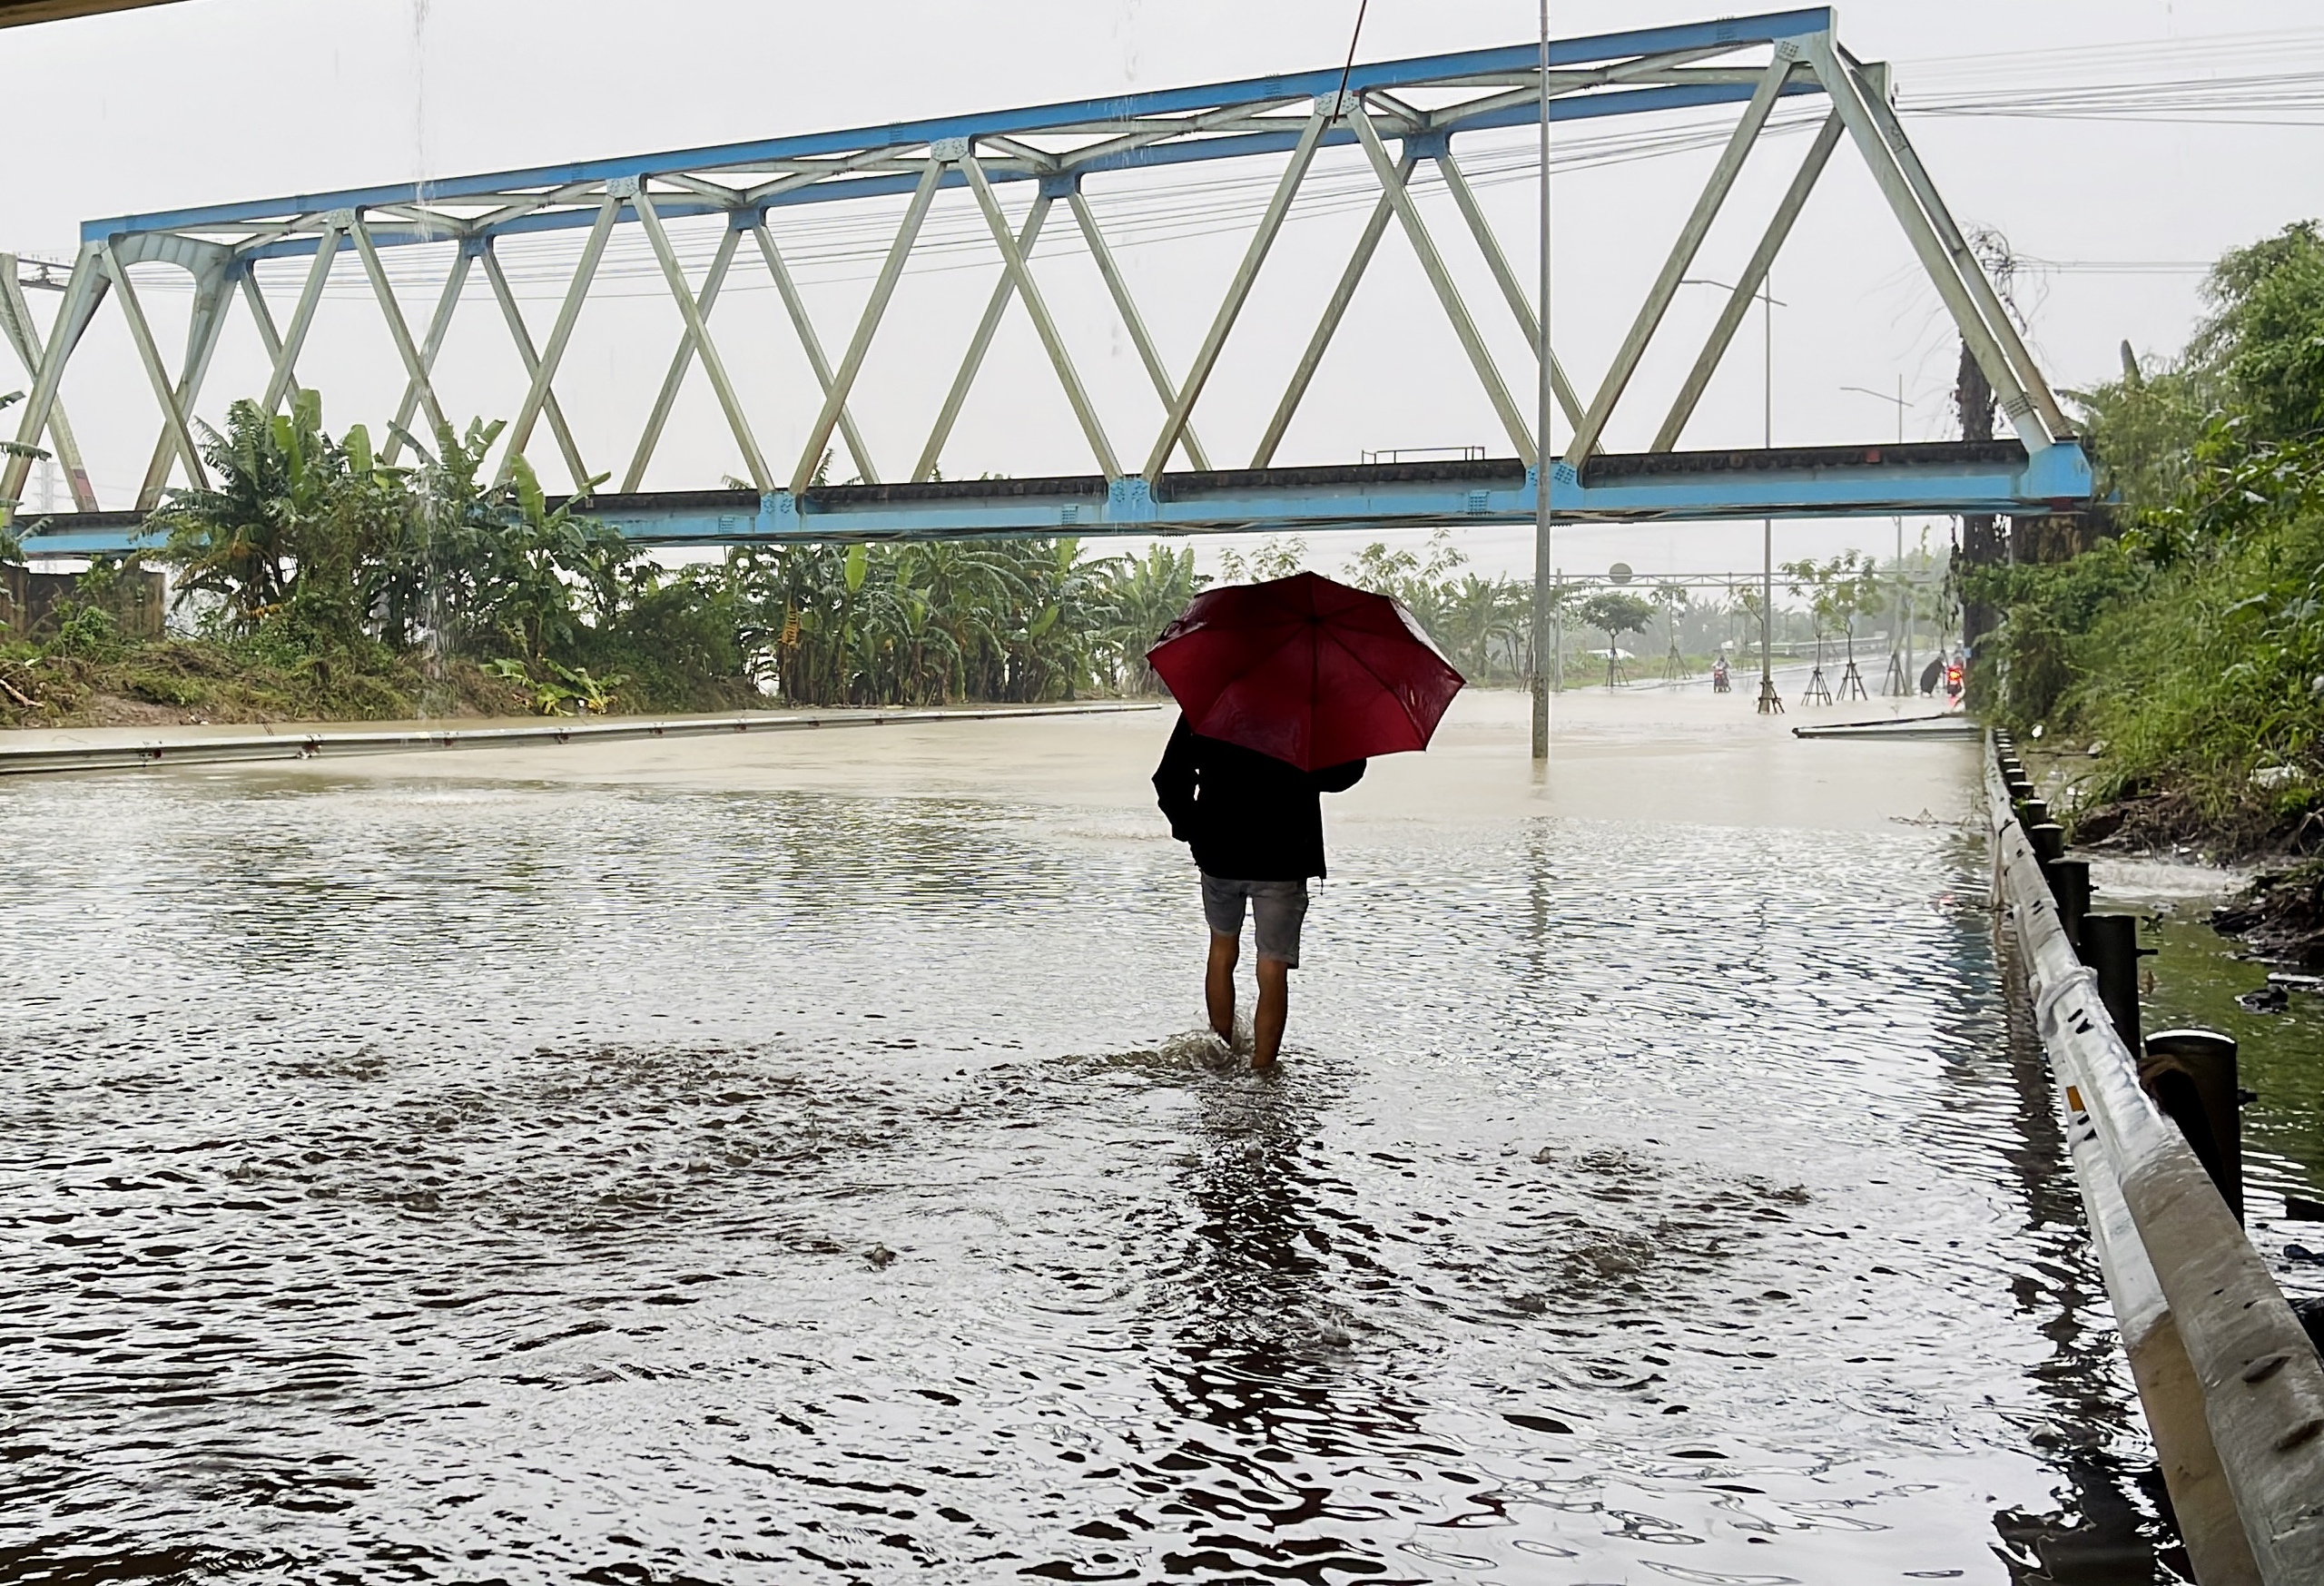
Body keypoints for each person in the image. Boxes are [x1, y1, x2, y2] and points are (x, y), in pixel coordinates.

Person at [1152, 719, 1365, 1069]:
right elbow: (1341, 776)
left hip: (1219, 854)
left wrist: (1193, 831)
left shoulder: (1212, 703)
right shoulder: (1305, 709)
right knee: (1272, 965)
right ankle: (1263, 1071)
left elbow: (1169, 778)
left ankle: (1220, 1057)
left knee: (1221, 951)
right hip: (1284, 857)